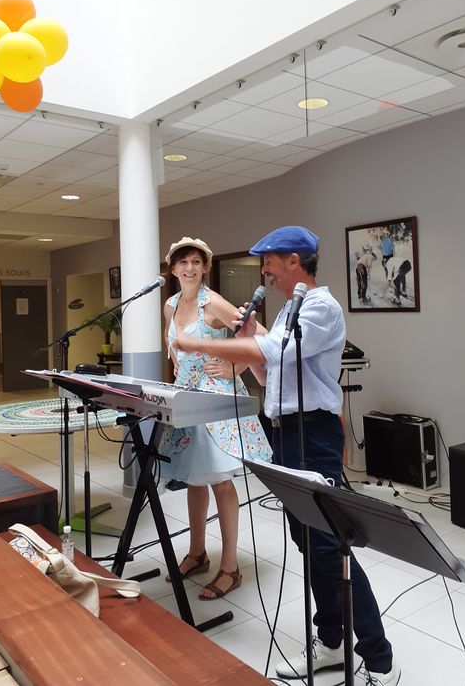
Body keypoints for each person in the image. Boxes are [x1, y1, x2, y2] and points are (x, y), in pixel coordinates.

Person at [174, 226, 400, 685]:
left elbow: (276, 351)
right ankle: (332, 641)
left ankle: (378, 658)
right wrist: (251, 334)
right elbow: (268, 370)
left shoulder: (322, 307)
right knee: (305, 540)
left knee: (328, 545)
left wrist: (201, 343)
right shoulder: (288, 311)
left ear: (294, 260)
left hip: (313, 435)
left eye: (269, 261)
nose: (264, 270)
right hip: (285, 435)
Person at [159, 236, 272, 600]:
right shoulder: (170, 305)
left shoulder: (214, 303)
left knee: (221, 482)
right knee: (194, 480)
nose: (189, 268)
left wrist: (234, 366)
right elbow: (174, 345)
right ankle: (197, 552)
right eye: (182, 263)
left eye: (196, 262)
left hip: (216, 400)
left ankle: (230, 567)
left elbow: (262, 338)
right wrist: (176, 363)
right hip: (187, 399)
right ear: (173, 269)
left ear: (205, 267)